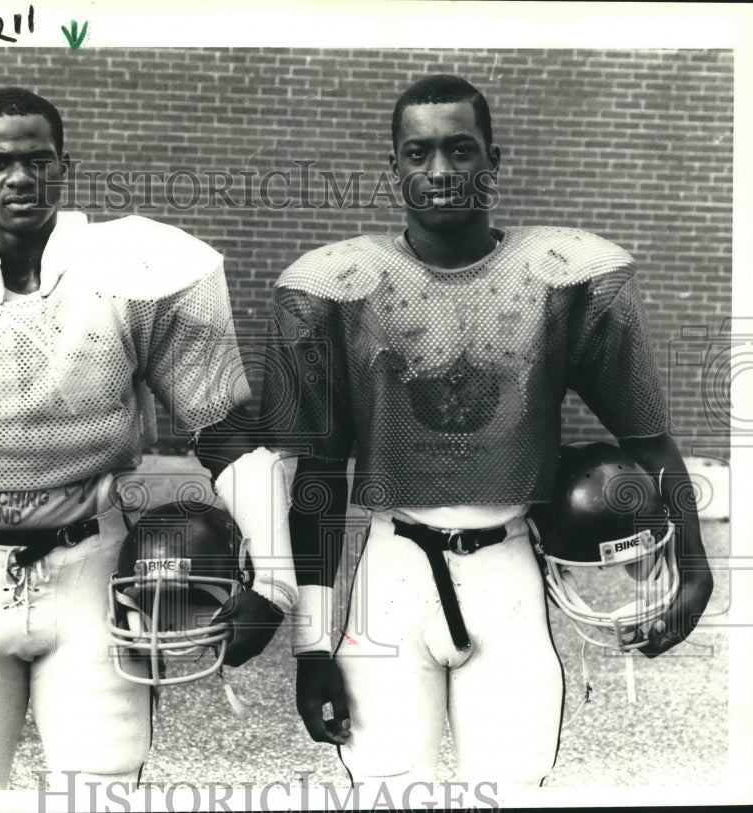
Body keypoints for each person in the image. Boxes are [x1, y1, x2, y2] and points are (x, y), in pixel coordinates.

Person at [0, 87, 296, 790]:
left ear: (63, 165)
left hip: (91, 565)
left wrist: (277, 580)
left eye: (38, 160)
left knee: (103, 782)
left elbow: (224, 429)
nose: (20, 178)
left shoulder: (130, 276)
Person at [262, 74, 713, 795]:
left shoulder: (564, 278)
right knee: (383, 790)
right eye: (418, 153)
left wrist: (695, 565)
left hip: (508, 566)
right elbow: (318, 476)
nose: (440, 172)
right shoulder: (337, 285)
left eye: (460, 150)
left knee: (508, 790)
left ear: (493, 161)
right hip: (392, 571)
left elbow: (650, 437)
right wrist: (312, 643)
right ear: (394, 167)